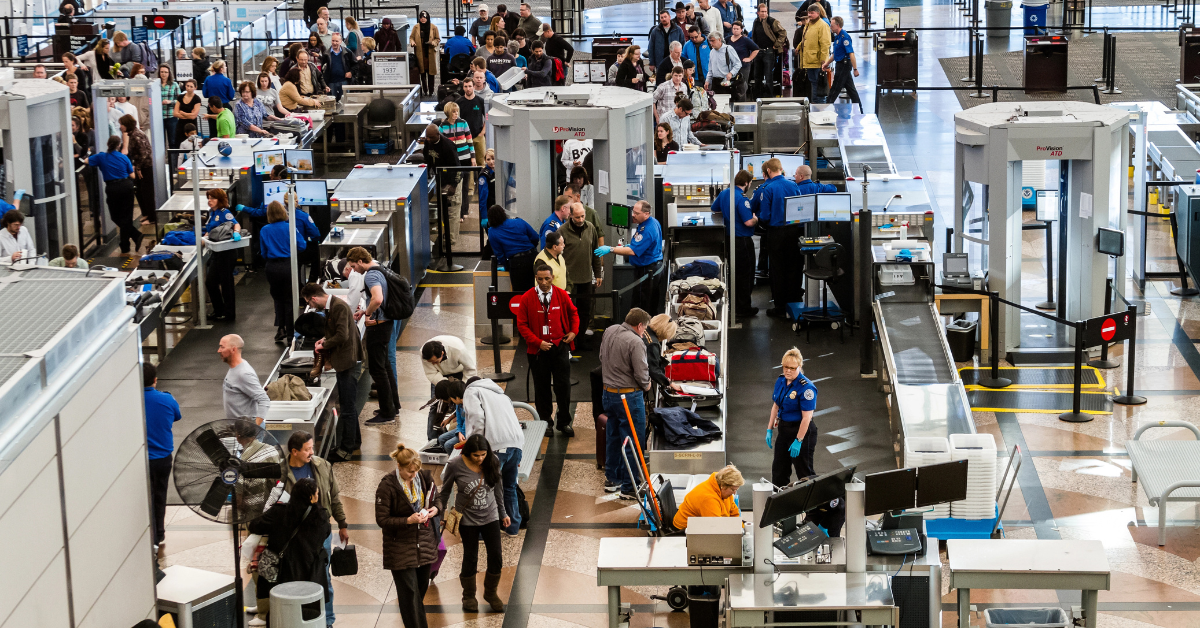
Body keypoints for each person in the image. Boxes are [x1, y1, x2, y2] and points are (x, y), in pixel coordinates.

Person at [279, 431, 348, 627]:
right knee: (295, 578)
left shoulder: (322, 466)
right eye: (307, 449)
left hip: (320, 535)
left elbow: (334, 497)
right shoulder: (281, 472)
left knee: (323, 578)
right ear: (294, 451)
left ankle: (327, 621)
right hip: (295, 537)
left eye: (312, 448)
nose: (312, 452)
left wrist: (342, 524)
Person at [247, 477, 330, 628]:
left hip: (281, 572)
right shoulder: (321, 517)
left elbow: (255, 526)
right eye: (317, 493)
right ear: (311, 497)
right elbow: (325, 534)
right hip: (310, 573)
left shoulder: (280, 512)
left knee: (280, 611)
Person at [439, 434, 509, 611]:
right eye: (476, 455)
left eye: (483, 454)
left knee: (496, 556)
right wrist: (441, 514)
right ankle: (468, 596)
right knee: (470, 557)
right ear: (468, 452)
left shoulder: (492, 461)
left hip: (490, 516)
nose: (480, 459)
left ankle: (490, 593)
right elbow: (445, 492)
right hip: (467, 519)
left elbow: (498, 489)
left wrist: (503, 513)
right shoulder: (455, 465)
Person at [376, 443, 440, 628]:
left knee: (419, 592)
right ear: (399, 467)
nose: (413, 475)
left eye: (416, 470)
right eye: (409, 472)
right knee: (409, 595)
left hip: (424, 543)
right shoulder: (387, 486)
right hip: (400, 547)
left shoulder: (424, 478)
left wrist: (435, 509)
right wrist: (407, 521)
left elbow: (438, 498)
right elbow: (382, 519)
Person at [302, 284, 365, 461]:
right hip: (344, 362)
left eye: (310, 303)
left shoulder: (338, 307)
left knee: (347, 408)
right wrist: (324, 339)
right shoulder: (333, 307)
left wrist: (325, 344)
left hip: (349, 363)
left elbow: (342, 335)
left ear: (313, 298)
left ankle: (346, 450)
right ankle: (354, 442)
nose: (312, 307)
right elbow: (336, 332)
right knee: (348, 404)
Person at [514, 264, 579, 436]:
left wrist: (573, 331)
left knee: (563, 387)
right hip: (538, 352)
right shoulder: (527, 298)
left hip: (560, 347)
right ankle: (545, 423)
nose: (543, 282)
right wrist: (537, 342)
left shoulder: (561, 294)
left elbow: (574, 313)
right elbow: (522, 324)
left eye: (547, 278)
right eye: (540, 279)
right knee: (542, 388)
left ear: (552, 278)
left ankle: (564, 422)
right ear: (535, 278)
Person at [599, 308, 652, 497]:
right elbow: (641, 373)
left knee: (613, 437)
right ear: (639, 325)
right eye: (644, 328)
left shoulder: (610, 330)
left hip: (608, 394)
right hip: (629, 397)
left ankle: (612, 480)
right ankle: (629, 488)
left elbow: (601, 358)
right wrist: (647, 385)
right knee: (632, 441)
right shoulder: (636, 342)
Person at [462, 376, 525, 533]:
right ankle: (513, 529)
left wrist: (475, 446)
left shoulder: (471, 391)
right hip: (516, 444)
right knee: (509, 486)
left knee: (485, 488)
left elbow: (477, 419)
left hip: (495, 445)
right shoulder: (501, 394)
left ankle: (485, 532)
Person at [346, 247, 401, 424]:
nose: (354, 270)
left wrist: (368, 313)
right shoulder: (380, 267)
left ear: (361, 261)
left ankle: (387, 413)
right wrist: (364, 311)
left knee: (378, 369)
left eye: (354, 266)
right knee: (385, 366)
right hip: (386, 322)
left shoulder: (370, 274)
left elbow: (377, 299)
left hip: (379, 325)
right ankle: (393, 406)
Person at [751, 158, 802, 317]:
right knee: (793, 267)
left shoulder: (768, 188)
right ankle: (793, 303)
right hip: (794, 231)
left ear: (767, 172)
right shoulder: (794, 185)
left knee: (777, 269)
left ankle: (779, 307)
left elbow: (765, 216)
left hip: (776, 233)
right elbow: (800, 208)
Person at [594, 200, 664, 314]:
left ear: (646, 214)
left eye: (636, 213)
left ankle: (640, 330)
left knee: (641, 306)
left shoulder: (648, 228)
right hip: (649, 266)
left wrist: (611, 249)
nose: (633, 215)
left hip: (647, 270)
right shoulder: (649, 222)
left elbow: (632, 251)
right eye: (633, 212)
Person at [142, 363, 181, 553]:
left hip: (142, 459)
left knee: (144, 497)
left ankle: (146, 534)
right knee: (160, 494)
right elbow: (177, 416)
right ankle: (159, 533)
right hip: (163, 457)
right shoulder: (166, 399)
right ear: (155, 380)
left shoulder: (133, 401)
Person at [767, 347, 819, 485]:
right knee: (779, 469)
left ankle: (811, 505)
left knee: (804, 472)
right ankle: (779, 500)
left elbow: (807, 418)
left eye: (792, 368)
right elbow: (776, 405)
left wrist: (799, 440)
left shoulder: (806, 388)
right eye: (785, 367)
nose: (788, 371)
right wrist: (770, 429)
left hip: (801, 430)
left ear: (799, 367)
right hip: (784, 429)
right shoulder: (781, 381)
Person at [712, 169, 758, 316]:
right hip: (742, 241)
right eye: (750, 183)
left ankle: (734, 305)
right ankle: (744, 308)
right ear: (746, 183)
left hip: (729, 239)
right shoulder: (741, 198)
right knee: (746, 275)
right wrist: (756, 218)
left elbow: (715, 209)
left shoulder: (725, 193)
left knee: (734, 274)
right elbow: (749, 222)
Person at [260, 200, 307, 340]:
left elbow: (263, 252)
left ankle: (281, 328)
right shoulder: (290, 227)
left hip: (272, 267)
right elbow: (302, 245)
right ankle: (291, 332)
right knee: (290, 299)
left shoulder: (264, 230)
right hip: (288, 265)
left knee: (277, 298)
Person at [88, 135, 140, 255]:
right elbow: (132, 176)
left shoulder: (101, 156)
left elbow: (87, 161)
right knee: (126, 217)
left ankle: (127, 244)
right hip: (126, 187)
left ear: (108, 144)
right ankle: (134, 237)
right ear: (119, 145)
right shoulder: (124, 157)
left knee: (115, 216)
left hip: (112, 188)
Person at [557, 202, 602, 339]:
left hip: (586, 279)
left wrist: (598, 273)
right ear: (570, 215)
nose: (581, 220)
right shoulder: (562, 231)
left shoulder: (591, 228)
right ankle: (570, 341)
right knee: (569, 312)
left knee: (585, 311)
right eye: (577, 217)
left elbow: (595, 252)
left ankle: (581, 339)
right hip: (569, 280)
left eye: (582, 216)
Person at [421, 124, 465, 247]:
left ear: (437, 135)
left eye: (430, 137)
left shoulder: (448, 146)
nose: (428, 139)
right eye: (427, 137)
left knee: (452, 210)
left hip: (452, 180)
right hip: (440, 178)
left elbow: (458, 168)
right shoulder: (428, 143)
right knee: (443, 209)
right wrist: (427, 175)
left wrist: (453, 186)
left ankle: (451, 241)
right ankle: (444, 234)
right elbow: (427, 160)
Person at [202, 189, 239, 320]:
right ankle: (219, 310)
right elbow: (210, 230)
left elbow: (236, 224)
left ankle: (229, 314)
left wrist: (236, 233)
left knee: (226, 284)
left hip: (226, 252)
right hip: (216, 252)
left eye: (213, 198)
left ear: (220, 199)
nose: (209, 200)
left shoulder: (225, 213)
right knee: (211, 282)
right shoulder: (212, 212)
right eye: (209, 198)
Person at [486, 205, 539, 293]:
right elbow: (535, 237)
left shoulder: (492, 231)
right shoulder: (519, 222)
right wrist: (532, 249)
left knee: (520, 295)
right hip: (533, 258)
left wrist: (507, 266)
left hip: (516, 264)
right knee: (536, 292)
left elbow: (499, 254)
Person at [218, 334, 270, 423]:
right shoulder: (234, 367)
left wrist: (253, 428)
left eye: (222, 347)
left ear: (233, 349)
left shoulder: (244, 373)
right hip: (238, 430)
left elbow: (264, 400)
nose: (219, 350)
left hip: (247, 433)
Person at [674, 464, 744, 529]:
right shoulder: (708, 498)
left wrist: (742, 528)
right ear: (723, 485)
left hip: (705, 523)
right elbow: (715, 527)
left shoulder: (724, 492)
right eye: (732, 489)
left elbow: (734, 514)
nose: (734, 493)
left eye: (736, 490)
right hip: (685, 529)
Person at [822, 16, 861, 107]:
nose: (830, 27)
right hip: (840, 64)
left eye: (832, 25)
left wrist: (855, 69)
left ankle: (827, 107)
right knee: (851, 90)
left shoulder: (844, 37)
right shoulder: (837, 37)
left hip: (844, 65)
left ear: (838, 25)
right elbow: (835, 54)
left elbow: (851, 53)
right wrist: (827, 63)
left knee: (835, 88)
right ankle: (859, 108)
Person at [796, 5, 831, 103]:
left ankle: (819, 105)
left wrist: (824, 62)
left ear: (818, 13)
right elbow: (805, 39)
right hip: (809, 60)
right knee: (813, 82)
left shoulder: (823, 25)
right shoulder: (808, 24)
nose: (809, 15)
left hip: (817, 61)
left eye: (812, 13)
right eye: (809, 13)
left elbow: (825, 44)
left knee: (818, 84)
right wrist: (799, 47)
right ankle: (814, 103)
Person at [751, 3, 788, 97]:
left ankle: (769, 97)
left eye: (765, 12)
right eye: (762, 12)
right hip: (758, 51)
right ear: (758, 12)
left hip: (769, 51)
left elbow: (783, 32)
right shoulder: (756, 21)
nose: (764, 14)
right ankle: (757, 97)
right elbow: (754, 36)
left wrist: (777, 44)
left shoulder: (772, 21)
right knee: (757, 76)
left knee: (768, 76)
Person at [456, 79, 487, 165]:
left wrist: (483, 132)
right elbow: (456, 119)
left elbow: (487, 117)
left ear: (474, 87)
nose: (468, 89)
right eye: (466, 86)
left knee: (481, 162)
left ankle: (481, 178)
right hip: (464, 138)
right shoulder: (459, 102)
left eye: (470, 86)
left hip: (478, 136)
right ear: (463, 88)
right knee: (468, 163)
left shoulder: (480, 101)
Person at [648, 10, 686, 78]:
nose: (664, 19)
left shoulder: (678, 30)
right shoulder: (655, 31)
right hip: (660, 62)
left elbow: (683, 45)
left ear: (669, 17)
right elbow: (651, 47)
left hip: (675, 61)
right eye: (662, 17)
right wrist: (652, 63)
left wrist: (682, 60)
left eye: (665, 17)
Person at [410, 11, 440, 95]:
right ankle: (425, 90)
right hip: (420, 53)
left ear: (427, 18)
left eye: (424, 17)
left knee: (431, 73)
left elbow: (437, 39)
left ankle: (431, 90)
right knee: (422, 73)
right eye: (421, 17)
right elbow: (411, 37)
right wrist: (412, 42)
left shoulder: (433, 27)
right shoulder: (416, 27)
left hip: (429, 53)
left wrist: (433, 43)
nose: (422, 19)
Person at [203, 60, 236, 136]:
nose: (226, 67)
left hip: (212, 107)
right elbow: (231, 96)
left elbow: (205, 94)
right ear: (221, 69)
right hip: (224, 107)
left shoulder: (208, 79)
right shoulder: (227, 80)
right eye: (224, 66)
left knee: (213, 132)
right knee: (227, 130)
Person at [726, 21, 758, 101]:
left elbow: (756, 49)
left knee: (742, 86)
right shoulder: (727, 39)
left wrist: (750, 58)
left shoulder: (745, 40)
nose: (735, 30)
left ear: (741, 30)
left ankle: (742, 103)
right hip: (730, 67)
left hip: (743, 66)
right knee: (731, 85)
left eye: (737, 29)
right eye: (734, 29)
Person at [324, 32, 355, 99]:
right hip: (331, 83)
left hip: (344, 82)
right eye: (333, 41)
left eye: (336, 41)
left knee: (345, 102)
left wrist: (351, 72)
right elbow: (323, 69)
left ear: (341, 41)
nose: (334, 43)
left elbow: (356, 64)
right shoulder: (326, 54)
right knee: (332, 102)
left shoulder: (348, 53)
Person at [173, 79, 202, 145]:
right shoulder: (180, 97)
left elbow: (193, 116)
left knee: (192, 144)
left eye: (191, 86)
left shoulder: (197, 99)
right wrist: (189, 115)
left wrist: (182, 113)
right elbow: (175, 113)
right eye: (187, 86)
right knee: (178, 144)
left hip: (192, 125)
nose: (189, 88)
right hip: (181, 125)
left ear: (195, 87)